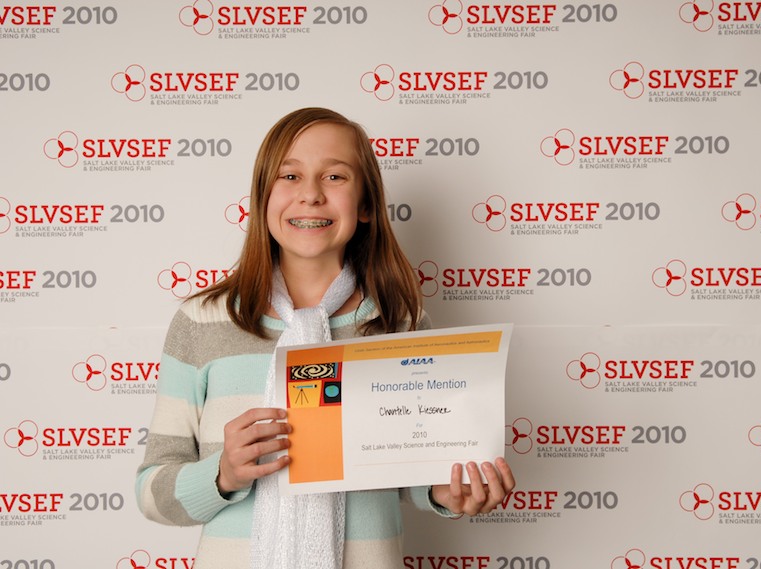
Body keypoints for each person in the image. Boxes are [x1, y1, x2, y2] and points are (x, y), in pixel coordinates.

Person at [135, 107, 515, 569]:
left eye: (335, 176)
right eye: (289, 176)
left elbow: (409, 469)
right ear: (262, 197)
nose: (311, 194)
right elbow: (151, 493)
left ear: (366, 204)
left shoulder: (399, 323)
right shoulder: (203, 321)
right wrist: (223, 474)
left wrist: (448, 492)